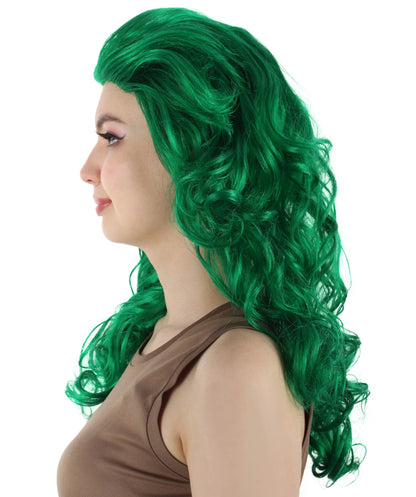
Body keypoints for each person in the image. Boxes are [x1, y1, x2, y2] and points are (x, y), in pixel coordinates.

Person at [57, 7, 369, 497]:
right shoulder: (163, 337)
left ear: (195, 151)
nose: (87, 168)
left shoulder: (236, 367)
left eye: (111, 137)